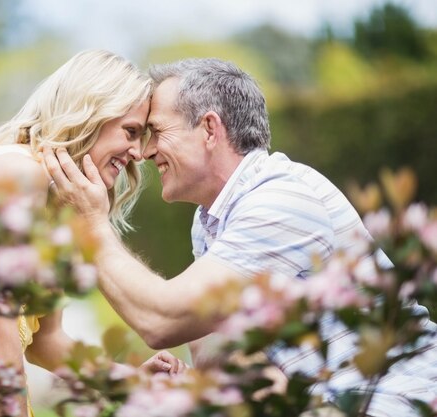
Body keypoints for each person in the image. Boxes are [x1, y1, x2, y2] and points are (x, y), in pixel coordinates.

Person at [44, 57, 437, 416]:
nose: (145, 152)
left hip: (388, 402)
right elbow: (206, 342)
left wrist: (92, 223)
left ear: (210, 129)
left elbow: (162, 322)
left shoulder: (281, 199)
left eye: (156, 132)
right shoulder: (212, 218)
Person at [0, 49, 185, 417]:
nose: (137, 152)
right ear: (91, 115)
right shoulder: (17, 175)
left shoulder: (51, 209)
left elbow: (46, 342)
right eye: (131, 132)